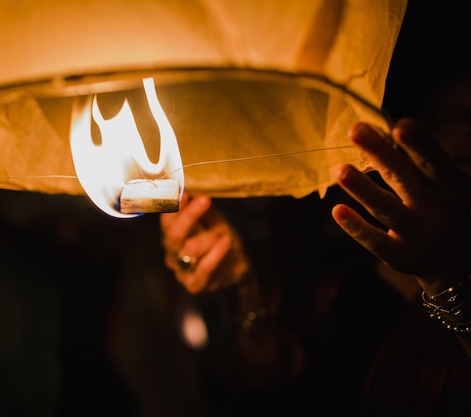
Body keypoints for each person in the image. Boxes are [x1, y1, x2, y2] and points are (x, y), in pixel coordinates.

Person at [159, 74, 471, 415]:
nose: (465, 133)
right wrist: (239, 284)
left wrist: (448, 277)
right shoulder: (341, 258)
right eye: (453, 117)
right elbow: (279, 377)